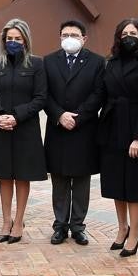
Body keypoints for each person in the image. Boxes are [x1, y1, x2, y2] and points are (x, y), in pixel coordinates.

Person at [96, 19, 138, 257]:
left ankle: (135, 232)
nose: (128, 37)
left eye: (133, 33)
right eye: (124, 33)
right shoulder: (110, 63)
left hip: (134, 130)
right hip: (111, 127)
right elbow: (101, 95)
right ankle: (122, 227)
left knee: (133, 184)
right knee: (115, 183)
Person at [0, 19, 47, 244]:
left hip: (25, 128)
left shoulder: (36, 64)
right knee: (4, 176)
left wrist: (16, 116)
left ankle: (19, 221)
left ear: (25, 40)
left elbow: (40, 98)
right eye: (9, 39)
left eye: (17, 39)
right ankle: (6, 220)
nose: (13, 42)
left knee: (22, 176)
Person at [43, 20, 105, 245]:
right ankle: (60, 225)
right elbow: (44, 94)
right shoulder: (48, 61)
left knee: (80, 181)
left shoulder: (97, 62)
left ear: (84, 38)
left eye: (74, 34)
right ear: (59, 37)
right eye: (65, 34)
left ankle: (78, 226)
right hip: (57, 128)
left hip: (84, 130)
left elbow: (98, 94)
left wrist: (77, 117)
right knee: (58, 180)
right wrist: (59, 115)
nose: (69, 37)